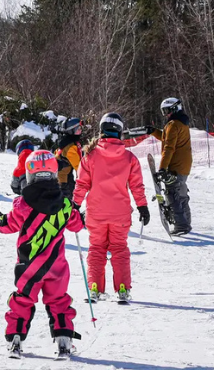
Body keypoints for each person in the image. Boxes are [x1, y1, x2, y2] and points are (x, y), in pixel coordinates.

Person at [0, 150, 84, 359]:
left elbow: (6, 225)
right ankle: (64, 341)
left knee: (23, 300)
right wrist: (81, 217)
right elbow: (76, 225)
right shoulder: (65, 204)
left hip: (28, 267)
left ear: (30, 175)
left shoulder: (22, 205)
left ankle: (15, 340)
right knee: (58, 301)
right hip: (57, 268)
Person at [73, 112, 150, 303]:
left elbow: (81, 184)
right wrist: (142, 207)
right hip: (120, 214)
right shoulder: (129, 158)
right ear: (120, 132)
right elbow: (137, 186)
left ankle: (94, 288)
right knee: (119, 249)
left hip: (96, 213)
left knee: (97, 248)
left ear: (101, 131)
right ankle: (122, 288)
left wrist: (75, 205)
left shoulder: (90, 155)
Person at [148, 97, 193, 235]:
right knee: (181, 192)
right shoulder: (181, 122)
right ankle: (186, 221)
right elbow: (167, 138)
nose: (165, 114)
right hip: (184, 165)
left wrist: (162, 168)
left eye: (167, 111)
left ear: (174, 108)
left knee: (173, 193)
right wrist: (153, 131)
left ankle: (181, 225)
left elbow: (169, 148)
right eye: (163, 111)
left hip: (176, 165)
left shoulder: (173, 124)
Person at [54, 117, 83, 199]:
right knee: (67, 198)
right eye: (78, 129)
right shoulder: (70, 147)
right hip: (62, 180)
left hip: (65, 175)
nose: (80, 130)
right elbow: (79, 167)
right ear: (71, 131)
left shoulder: (66, 141)